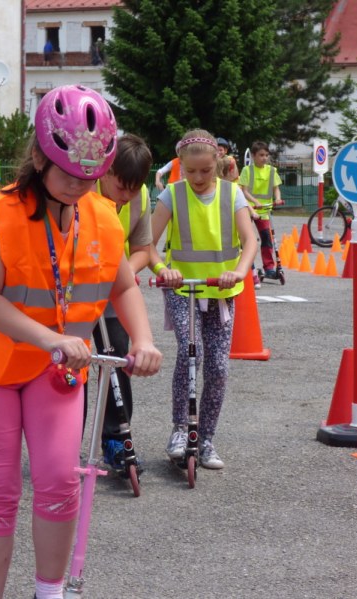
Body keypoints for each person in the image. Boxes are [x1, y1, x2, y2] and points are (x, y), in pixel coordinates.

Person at [0, 85, 162, 599]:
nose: (77, 185)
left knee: (59, 482)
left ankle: (50, 593)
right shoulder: (0, 213)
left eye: (89, 176)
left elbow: (124, 286)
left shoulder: (102, 217)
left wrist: (143, 338)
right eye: (68, 173)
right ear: (41, 157)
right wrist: (52, 337)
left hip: (56, 370)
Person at [149, 129, 258, 469]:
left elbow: (250, 241)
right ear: (180, 166)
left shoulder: (232, 194)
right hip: (183, 288)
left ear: (218, 165)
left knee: (219, 367)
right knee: (188, 351)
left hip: (221, 292)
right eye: (190, 171)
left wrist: (238, 271)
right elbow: (146, 243)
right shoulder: (172, 195)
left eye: (205, 171)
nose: (198, 178)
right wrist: (162, 269)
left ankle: (207, 438)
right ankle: (180, 430)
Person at [91, 133, 153, 468]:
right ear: (105, 171)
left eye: (135, 188)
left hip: (113, 292)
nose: (127, 196)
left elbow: (143, 249)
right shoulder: (81, 190)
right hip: (74, 294)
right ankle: (62, 440)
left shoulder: (139, 198)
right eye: (121, 187)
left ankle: (116, 440)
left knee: (116, 360)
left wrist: (123, 273)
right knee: (67, 368)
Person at [238, 141, 283, 288]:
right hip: (248, 209)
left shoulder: (271, 171)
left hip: (264, 211)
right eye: (261, 155)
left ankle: (269, 267)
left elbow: (276, 188)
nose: (264, 158)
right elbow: (244, 191)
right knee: (247, 239)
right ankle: (248, 267)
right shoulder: (247, 170)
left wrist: (277, 198)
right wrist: (255, 202)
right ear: (253, 156)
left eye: (266, 155)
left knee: (267, 238)